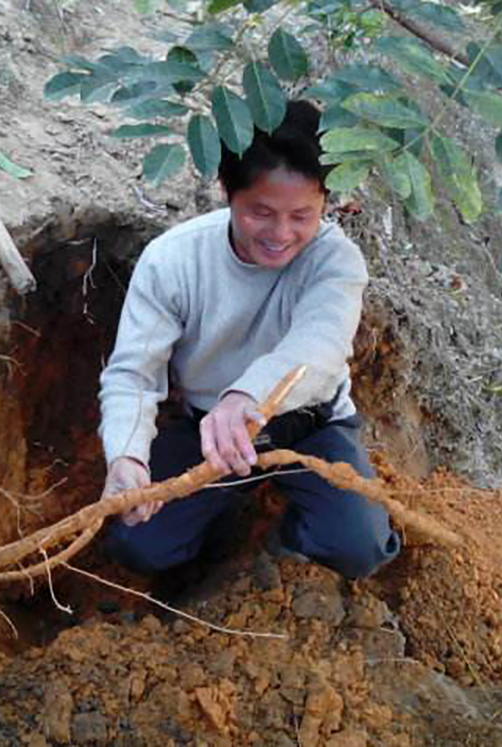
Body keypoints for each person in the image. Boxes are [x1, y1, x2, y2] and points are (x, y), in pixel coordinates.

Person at [96, 99, 400, 581]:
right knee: (139, 544)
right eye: (261, 212)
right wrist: (127, 454)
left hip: (310, 428)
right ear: (227, 192)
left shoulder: (335, 262)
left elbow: (318, 348)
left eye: (302, 215)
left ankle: (286, 534)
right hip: (207, 434)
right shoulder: (173, 261)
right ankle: (221, 533)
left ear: (326, 200)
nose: (281, 233)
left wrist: (246, 398)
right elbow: (133, 374)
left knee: (359, 547)